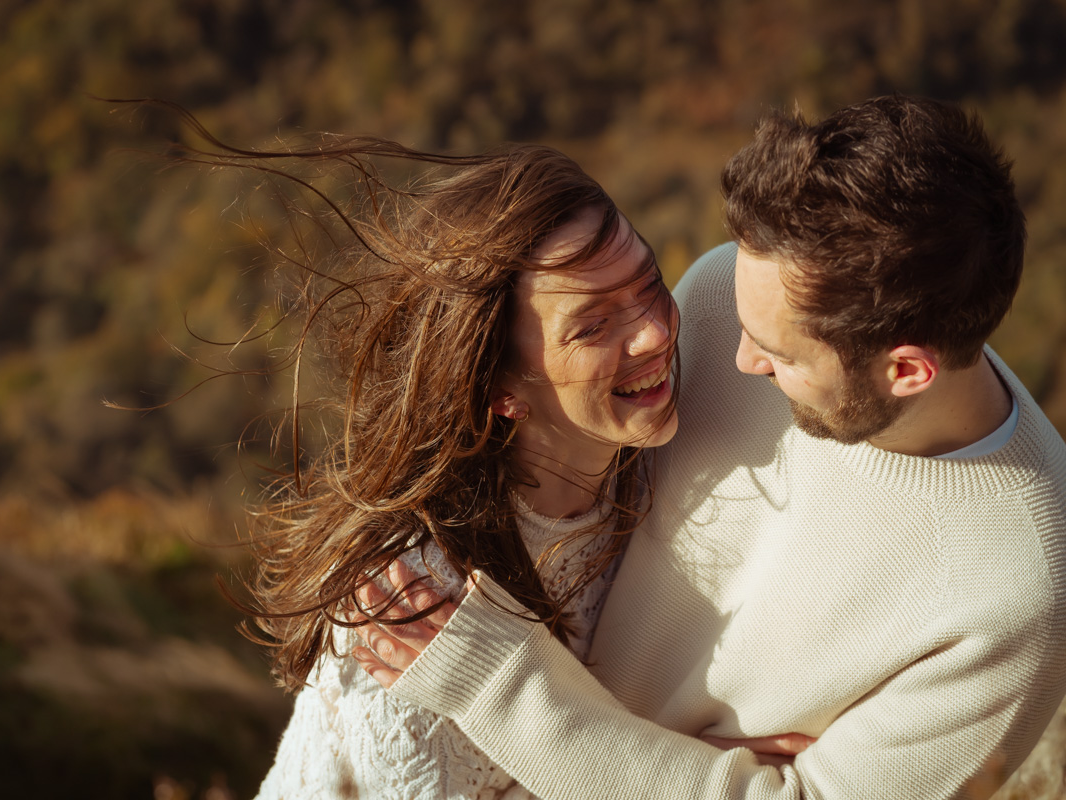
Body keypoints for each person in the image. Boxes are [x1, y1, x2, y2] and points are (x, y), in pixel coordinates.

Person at [354, 94, 1066, 799]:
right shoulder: (731, 299)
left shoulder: (1015, 594)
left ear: (906, 370)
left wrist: (499, 687)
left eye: (778, 352)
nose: (733, 356)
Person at [226, 138, 683, 798]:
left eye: (650, 284)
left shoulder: (651, 463)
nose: (654, 334)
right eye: (592, 326)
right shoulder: (415, 600)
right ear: (500, 389)